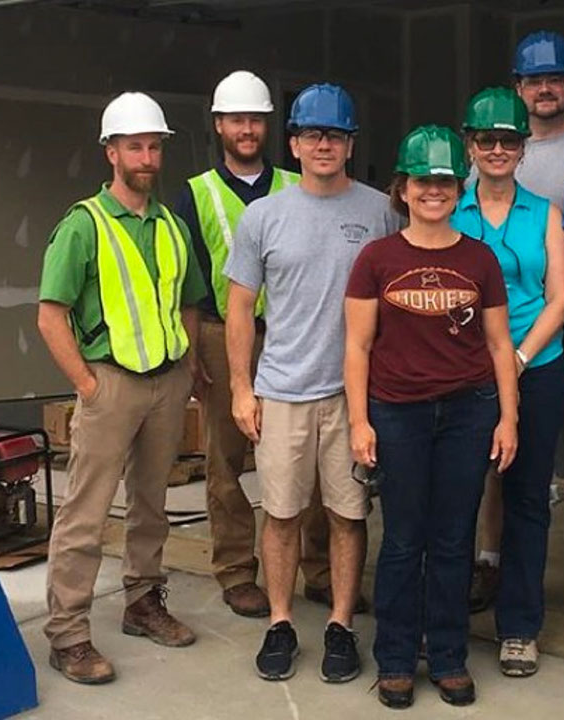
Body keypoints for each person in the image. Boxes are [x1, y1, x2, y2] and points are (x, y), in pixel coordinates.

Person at [224, 83, 401, 684]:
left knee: (349, 516)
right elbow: (241, 308)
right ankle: (280, 622)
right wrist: (241, 389)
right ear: (294, 143)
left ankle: (341, 625)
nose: (324, 145)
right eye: (312, 135)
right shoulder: (263, 215)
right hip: (282, 392)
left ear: (351, 144)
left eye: (336, 135)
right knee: (281, 514)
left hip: (353, 396)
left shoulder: (380, 211)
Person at [345, 125, 520, 709]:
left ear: (458, 185)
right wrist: (359, 422)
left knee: (452, 541)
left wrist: (508, 419)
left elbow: (500, 346)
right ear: (403, 187)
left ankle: (447, 656)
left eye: (445, 180)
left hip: (469, 412)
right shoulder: (377, 259)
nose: (434, 191)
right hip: (397, 413)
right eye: (423, 180)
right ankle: (395, 657)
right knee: (401, 540)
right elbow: (358, 347)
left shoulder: (480, 259)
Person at [38, 91, 205, 684]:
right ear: (111, 152)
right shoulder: (84, 225)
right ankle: (68, 634)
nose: (147, 157)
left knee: (151, 505)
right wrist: (86, 383)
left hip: (165, 382)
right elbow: (50, 315)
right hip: (110, 381)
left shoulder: (172, 226)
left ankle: (143, 604)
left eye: (155, 146)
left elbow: (187, 302)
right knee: (85, 513)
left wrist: (185, 368)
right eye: (135, 146)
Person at [173, 70, 338, 620]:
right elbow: (190, 281)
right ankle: (237, 571)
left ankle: (317, 569)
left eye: (255, 120)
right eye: (236, 120)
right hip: (225, 334)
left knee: (310, 457)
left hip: (295, 332)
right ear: (219, 125)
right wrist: (194, 351)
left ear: (269, 127)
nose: (246, 129)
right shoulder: (195, 193)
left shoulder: (297, 184)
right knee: (227, 459)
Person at [468, 30, 564, 614]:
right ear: (518, 90)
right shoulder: (467, 184)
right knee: (499, 466)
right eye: (533, 80)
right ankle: (491, 567)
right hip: (487, 347)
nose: (545, 88)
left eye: (555, 78)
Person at [450, 87, 564, 678]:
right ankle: (445, 621)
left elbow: (562, 296)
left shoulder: (545, 213)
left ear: (523, 149)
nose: (498, 149)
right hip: (463, 374)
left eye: (509, 140)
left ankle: (519, 626)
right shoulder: (449, 211)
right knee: (455, 497)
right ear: (470, 147)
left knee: (527, 499)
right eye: (486, 140)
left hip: (536, 367)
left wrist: (518, 359)